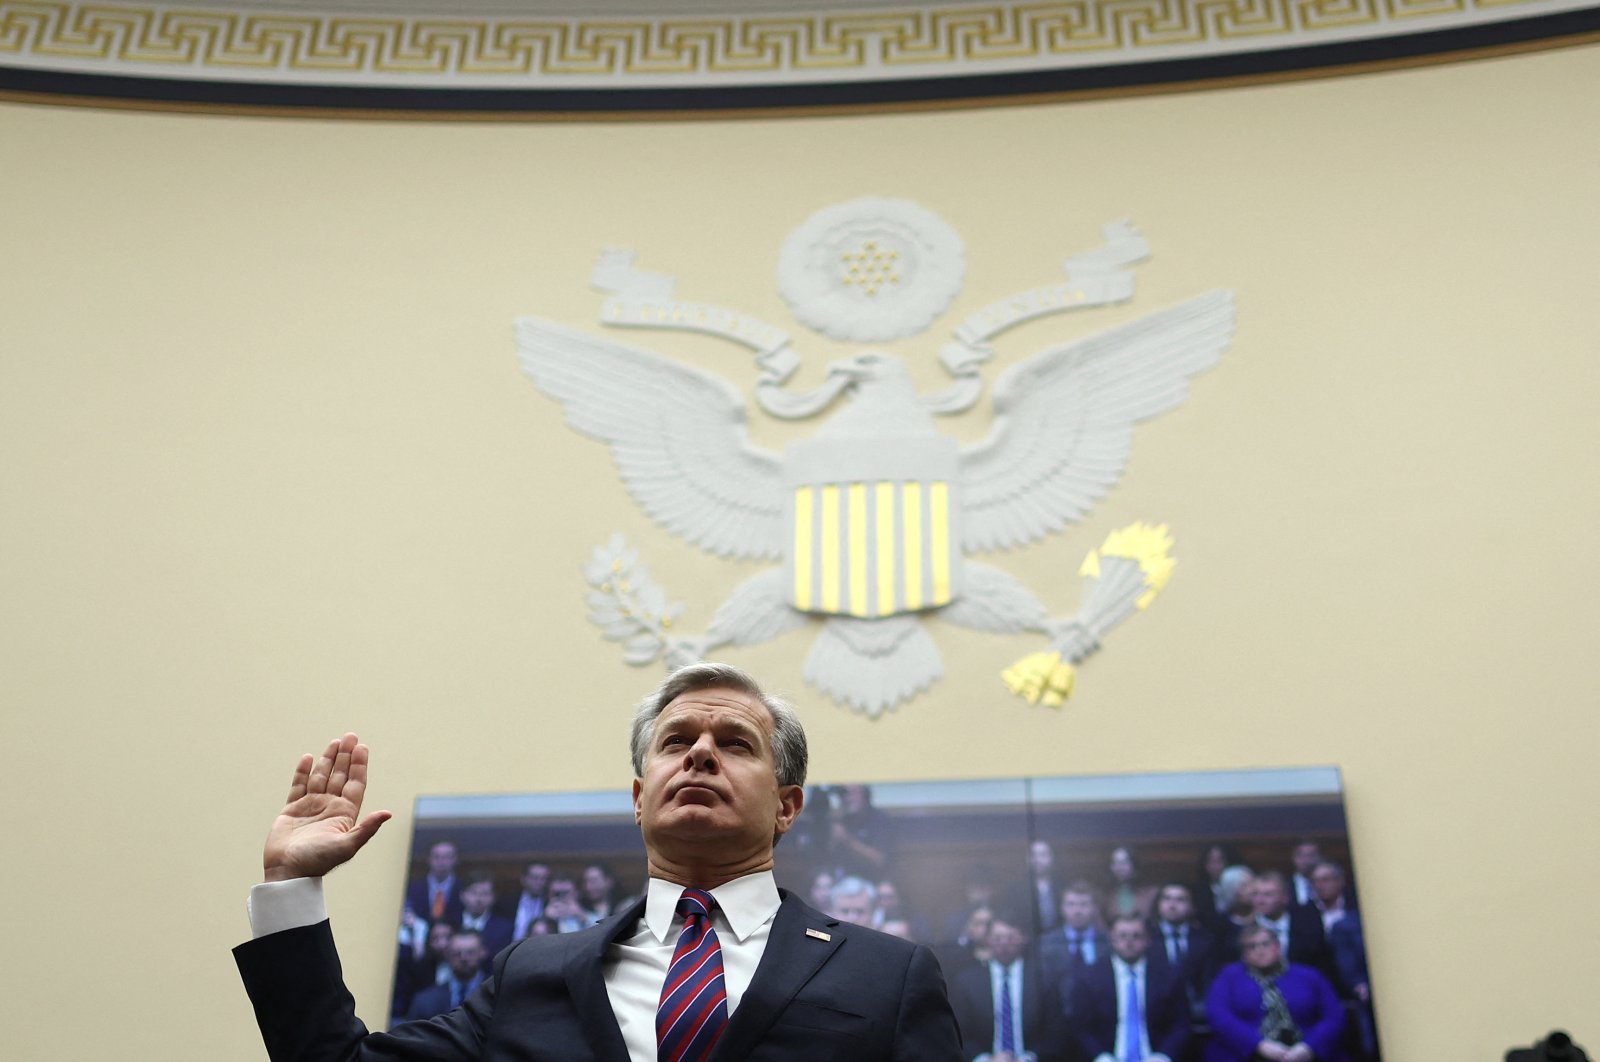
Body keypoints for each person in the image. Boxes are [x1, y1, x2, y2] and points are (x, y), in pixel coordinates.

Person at [233, 661, 962, 1061]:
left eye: (736, 744)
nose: (702, 752)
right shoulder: (533, 977)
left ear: (787, 806)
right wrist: (293, 886)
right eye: (677, 742)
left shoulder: (885, 977)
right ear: (641, 798)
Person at [1204, 925, 1344, 1062]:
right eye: (1251, 947)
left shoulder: (1308, 975)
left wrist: (1309, 1047)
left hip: (1305, 1051)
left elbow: (1333, 1016)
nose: (1260, 951)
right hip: (1248, 1053)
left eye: (1265, 944)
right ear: (1244, 954)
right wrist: (1258, 1045)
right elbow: (1219, 1016)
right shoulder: (1229, 976)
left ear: (1278, 946)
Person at [1069, 915, 1190, 1062]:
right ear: (1112, 940)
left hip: (1154, 1057)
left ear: (1148, 940)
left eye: (1136, 936)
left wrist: (1163, 1056)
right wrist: (1100, 1057)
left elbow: (1181, 1023)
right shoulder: (1090, 977)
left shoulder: (1168, 975)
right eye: (1122, 936)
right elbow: (1080, 1027)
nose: (1129, 942)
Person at [948, 915, 1067, 1062]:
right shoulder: (967, 982)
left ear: (1023, 939)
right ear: (987, 940)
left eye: (1010, 937)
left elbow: (1056, 1031)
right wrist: (985, 1059)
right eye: (997, 937)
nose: (1004, 943)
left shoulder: (1043, 979)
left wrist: (1028, 1058)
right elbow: (958, 1032)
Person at [405, 930, 488, 1021]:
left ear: (483, 953)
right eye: (457, 953)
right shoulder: (425, 1001)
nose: (464, 958)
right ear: (447, 955)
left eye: (470, 952)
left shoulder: (498, 997)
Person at [454, 872, 514, 957]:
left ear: (494, 897)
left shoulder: (504, 928)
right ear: (462, 895)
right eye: (473, 893)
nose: (478, 899)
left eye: (485, 894)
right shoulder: (451, 923)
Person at [405, 840, 463, 924]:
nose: (441, 861)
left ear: (455, 860)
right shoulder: (412, 888)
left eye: (447, 857)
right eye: (436, 856)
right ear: (428, 859)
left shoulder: (463, 888)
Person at [1104, 846, 1158, 921]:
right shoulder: (1106, 896)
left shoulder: (1152, 893)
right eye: (1115, 863)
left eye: (1124, 862)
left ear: (1135, 865)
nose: (1119, 867)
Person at [506, 862, 549, 942]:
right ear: (523, 879)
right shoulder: (507, 903)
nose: (539, 882)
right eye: (535, 878)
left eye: (543, 878)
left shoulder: (550, 903)